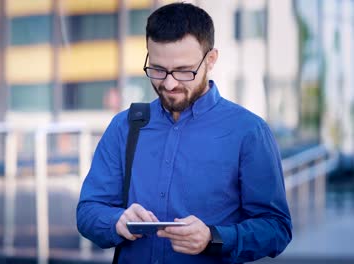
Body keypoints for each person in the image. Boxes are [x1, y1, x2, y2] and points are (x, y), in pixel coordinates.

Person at [77, 2, 292, 263]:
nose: (169, 83)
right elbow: (88, 211)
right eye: (157, 69)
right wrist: (116, 221)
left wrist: (214, 237)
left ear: (211, 60)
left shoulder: (249, 132)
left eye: (183, 71)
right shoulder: (124, 127)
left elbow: (276, 228)